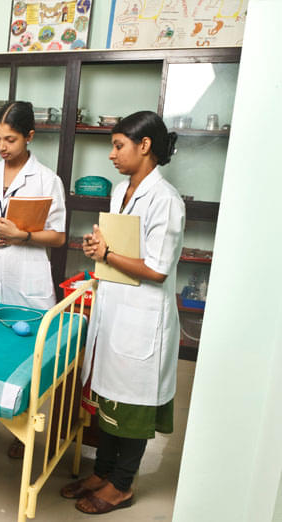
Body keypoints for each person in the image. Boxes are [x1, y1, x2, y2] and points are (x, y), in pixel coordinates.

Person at [60, 111, 183, 515]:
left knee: (131, 405)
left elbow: (157, 269)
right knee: (109, 398)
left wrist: (108, 254)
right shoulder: (120, 190)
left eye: (118, 145)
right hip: (114, 310)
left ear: (144, 146)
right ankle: (104, 472)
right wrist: (98, 247)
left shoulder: (166, 201)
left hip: (142, 317)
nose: (111, 154)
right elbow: (119, 248)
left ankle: (123, 485)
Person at [0, 101, 66, 458]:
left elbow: (59, 236)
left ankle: (23, 429)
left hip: (28, 273)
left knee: (28, 353)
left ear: (30, 137)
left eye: (10, 140)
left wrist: (25, 236)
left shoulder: (47, 179)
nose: (2, 147)